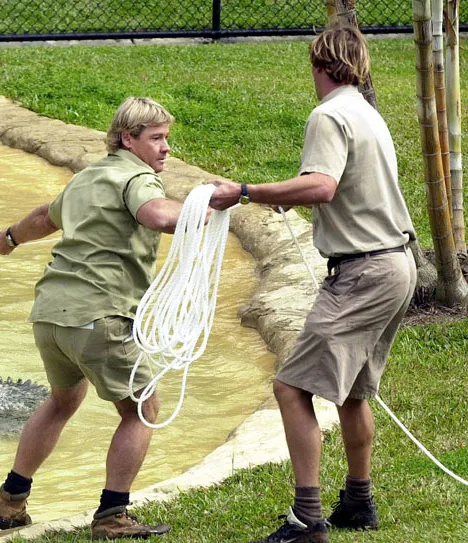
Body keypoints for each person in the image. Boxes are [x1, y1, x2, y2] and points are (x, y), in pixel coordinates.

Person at [210, 25, 417, 543]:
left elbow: (322, 186)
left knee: (290, 388)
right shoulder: (367, 112)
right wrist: (287, 194)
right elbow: (337, 186)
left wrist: (244, 190)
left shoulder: (328, 115)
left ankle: (307, 520)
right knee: (352, 392)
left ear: (319, 65)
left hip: (364, 271)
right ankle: (359, 502)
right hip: (396, 265)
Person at [0, 96, 185, 540]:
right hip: (100, 314)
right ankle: (113, 516)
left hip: (50, 315)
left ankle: (10, 502)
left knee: (62, 402)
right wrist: (203, 210)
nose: (166, 148)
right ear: (128, 139)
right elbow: (155, 214)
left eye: (166, 138)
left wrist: (9, 238)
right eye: (156, 138)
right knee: (143, 411)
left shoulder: (87, 177)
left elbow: (43, 217)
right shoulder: (139, 178)